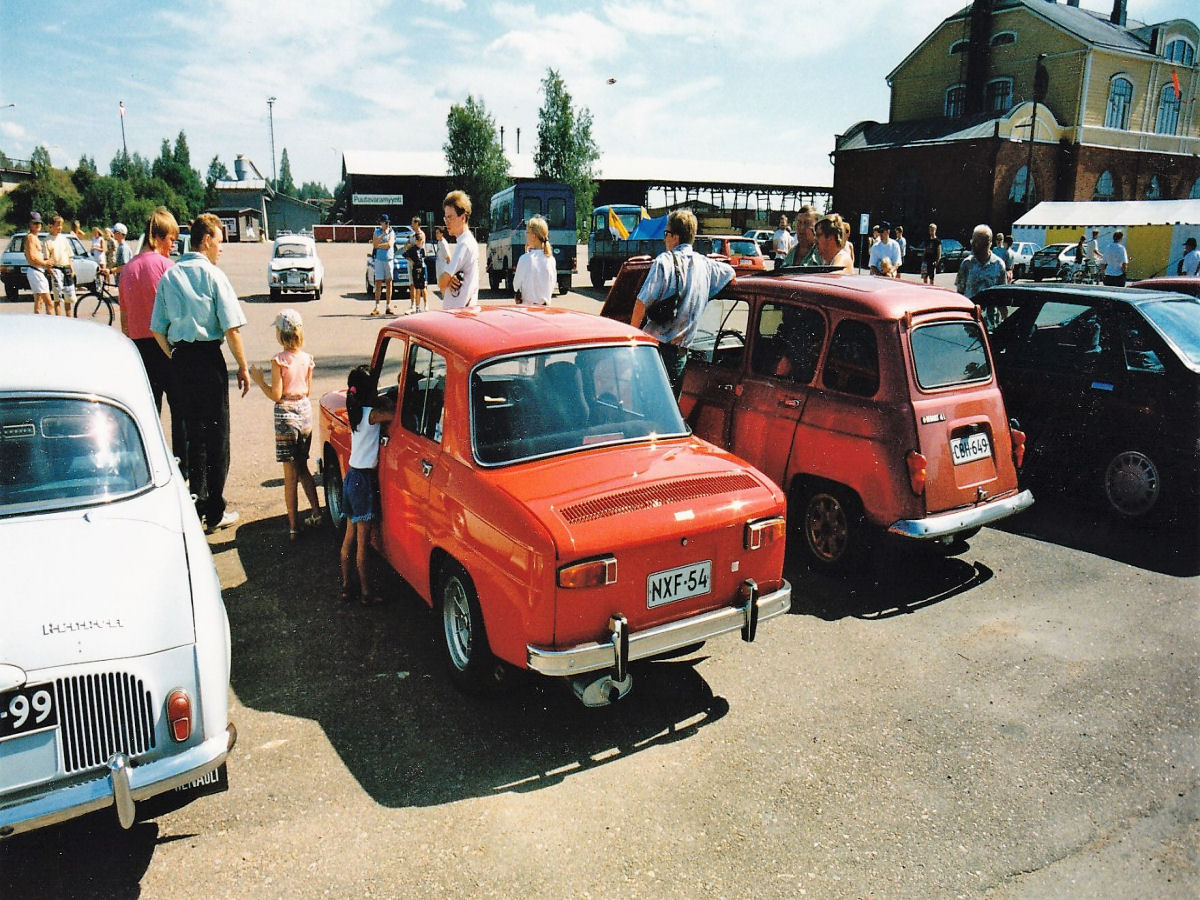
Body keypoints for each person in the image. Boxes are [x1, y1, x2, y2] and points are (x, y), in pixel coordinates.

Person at [150, 213, 250, 534]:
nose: (221, 248)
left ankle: (197, 502)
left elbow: (157, 331)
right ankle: (215, 510)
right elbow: (231, 329)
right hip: (209, 361)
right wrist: (243, 367)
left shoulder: (169, 276)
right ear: (206, 240)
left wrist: (176, 355)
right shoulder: (213, 276)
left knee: (193, 435)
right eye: (219, 241)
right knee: (217, 435)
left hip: (181, 361)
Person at [632, 209, 735, 399]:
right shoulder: (706, 265)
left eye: (666, 234)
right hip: (680, 356)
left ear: (675, 237)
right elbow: (730, 273)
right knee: (669, 414)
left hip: (655, 352)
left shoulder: (664, 261)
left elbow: (642, 302)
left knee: (646, 409)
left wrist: (630, 338)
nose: (664, 240)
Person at [120, 207, 186, 475]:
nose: (173, 245)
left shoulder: (127, 270)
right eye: (171, 239)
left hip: (139, 348)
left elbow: (124, 320)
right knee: (180, 410)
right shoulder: (167, 268)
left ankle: (150, 466)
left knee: (150, 412)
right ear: (157, 238)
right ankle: (183, 468)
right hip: (166, 346)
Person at [249, 309, 322, 542]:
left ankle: (293, 527)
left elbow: (276, 394)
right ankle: (316, 512)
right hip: (305, 414)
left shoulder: (279, 360)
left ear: (280, 334)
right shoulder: (307, 359)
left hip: (286, 416)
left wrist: (260, 381)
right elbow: (307, 390)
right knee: (303, 467)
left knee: (290, 475)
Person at [339, 365, 393, 606]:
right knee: (363, 542)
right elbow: (394, 414)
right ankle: (366, 592)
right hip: (363, 481)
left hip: (351, 477)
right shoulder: (372, 414)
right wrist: (386, 398)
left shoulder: (355, 411)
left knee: (349, 537)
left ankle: (346, 586)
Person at [439, 190, 479, 309]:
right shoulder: (466, 241)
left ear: (463, 217)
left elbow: (441, 283)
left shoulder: (464, 245)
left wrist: (446, 280)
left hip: (458, 316)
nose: (447, 223)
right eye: (445, 218)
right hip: (461, 313)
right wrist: (448, 280)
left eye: (450, 217)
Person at [955, 223, 1007, 304]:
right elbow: (960, 293)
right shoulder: (966, 264)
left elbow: (1003, 295)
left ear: (988, 244)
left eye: (978, 242)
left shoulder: (999, 264)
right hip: (971, 313)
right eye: (973, 241)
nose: (973, 245)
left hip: (990, 314)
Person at [512, 215, 555, 306]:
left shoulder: (524, 259)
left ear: (533, 236)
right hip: (545, 308)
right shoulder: (550, 259)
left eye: (527, 232)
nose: (525, 235)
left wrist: (526, 254)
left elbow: (516, 286)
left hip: (528, 309)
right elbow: (552, 285)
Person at [45, 215, 77, 316]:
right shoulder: (47, 240)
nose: (60, 228)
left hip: (66, 268)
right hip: (56, 269)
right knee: (57, 297)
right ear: (51, 226)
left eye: (61, 226)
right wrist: (49, 269)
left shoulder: (63, 239)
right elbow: (46, 258)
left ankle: (69, 318)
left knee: (69, 297)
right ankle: (59, 320)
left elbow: (68, 255)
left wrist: (72, 269)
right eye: (57, 225)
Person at [23, 212, 54, 315]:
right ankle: (51, 326)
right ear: (30, 224)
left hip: (37, 271)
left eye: (39, 223)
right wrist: (45, 263)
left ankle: (38, 324)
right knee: (49, 302)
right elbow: (32, 257)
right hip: (36, 271)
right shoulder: (31, 237)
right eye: (35, 223)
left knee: (39, 301)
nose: (38, 225)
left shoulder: (34, 237)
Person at [370, 213, 396, 316]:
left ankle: (388, 306)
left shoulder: (392, 232)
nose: (386, 224)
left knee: (389, 282)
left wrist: (379, 245)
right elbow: (374, 244)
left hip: (388, 259)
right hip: (379, 260)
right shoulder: (377, 231)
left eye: (387, 222)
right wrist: (383, 235)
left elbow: (389, 245)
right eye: (384, 222)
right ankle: (377, 306)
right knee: (378, 282)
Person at [404, 216, 427, 313]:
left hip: (419, 263)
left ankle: (425, 305)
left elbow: (419, 244)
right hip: (411, 263)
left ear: (417, 223)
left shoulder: (421, 234)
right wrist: (409, 246)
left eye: (413, 223)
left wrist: (411, 246)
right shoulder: (412, 235)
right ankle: (413, 305)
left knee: (421, 285)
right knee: (412, 284)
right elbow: (405, 247)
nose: (411, 224)